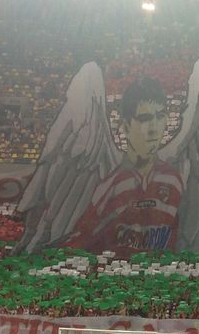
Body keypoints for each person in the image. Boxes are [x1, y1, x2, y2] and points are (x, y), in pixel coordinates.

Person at [65, 78, 183, 256]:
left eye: (160, 117)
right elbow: (79, 240)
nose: (154, 128)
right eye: (144, 119)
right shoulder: (110, 186)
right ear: (126, 127)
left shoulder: (174, 181)